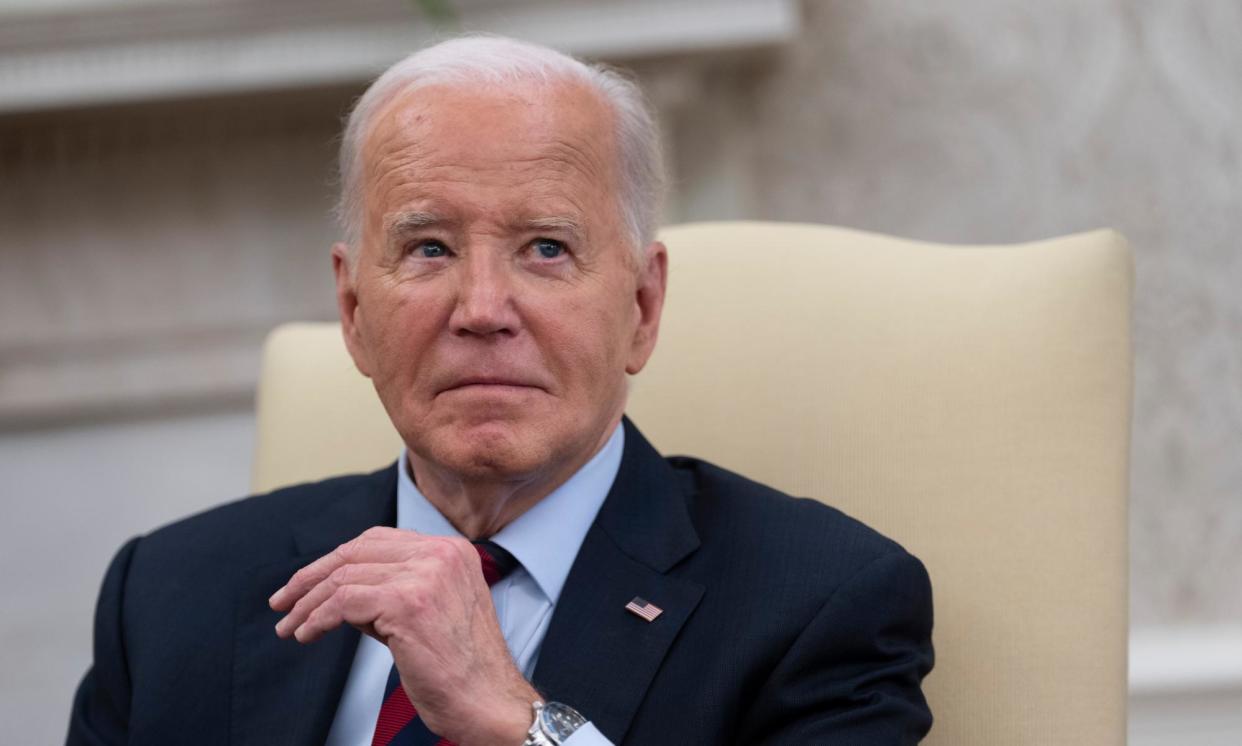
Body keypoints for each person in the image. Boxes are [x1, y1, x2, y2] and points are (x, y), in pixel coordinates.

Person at [67, 35, 933, 745]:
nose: (482, 310)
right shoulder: (169, 594)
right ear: (354, 309)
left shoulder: (822, 605)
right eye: (430, 249)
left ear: (641, 305)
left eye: (547, 248)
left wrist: (521, 727)